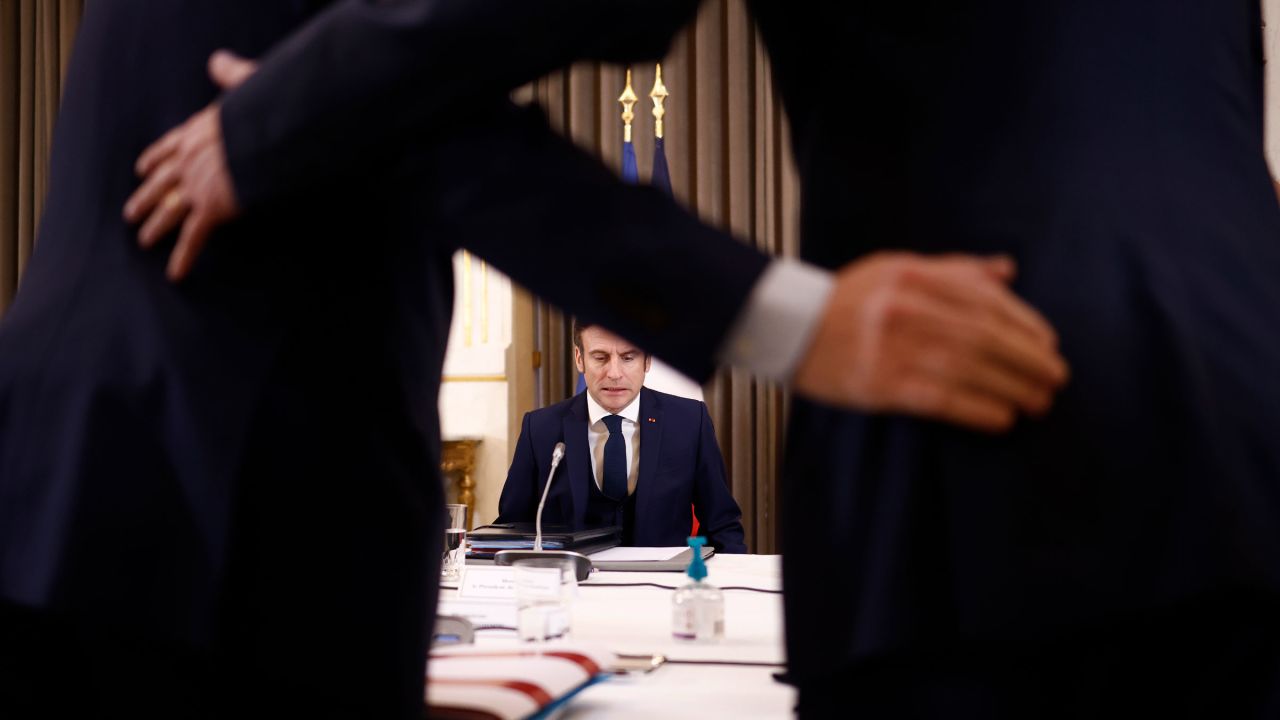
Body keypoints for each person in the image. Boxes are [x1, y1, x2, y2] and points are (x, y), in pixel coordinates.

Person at [129, 1, 1280, 715]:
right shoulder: (543, 430)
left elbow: (481, 37)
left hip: (966, 445)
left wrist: (281, 112)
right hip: (1250, 423)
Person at [498, 320, 747, 552]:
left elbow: (722, 526)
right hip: (571, 589)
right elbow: (511, 528)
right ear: (579, 358)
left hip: (662, 590)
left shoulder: (690, 421)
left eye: (628, 357)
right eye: (600, 357)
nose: (614, 373)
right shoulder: (540, 428)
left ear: (647, 361)